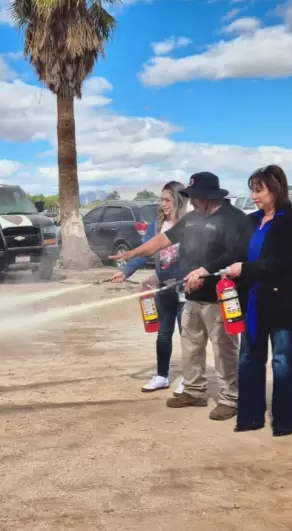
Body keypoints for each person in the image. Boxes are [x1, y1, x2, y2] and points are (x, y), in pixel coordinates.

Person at [116, 172, 251, 421]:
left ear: (208, 197)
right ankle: (194, 390)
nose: (191, 201)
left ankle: (230, 398)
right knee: (191, 345)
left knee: (224, 350)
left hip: (221, 295)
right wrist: (133, 253)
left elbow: (237, 253)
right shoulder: (192, 218)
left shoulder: (235, 219)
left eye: (195, 196)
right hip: (193, 294)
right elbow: (163, 240)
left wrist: (205, 270)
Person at [225, 165, 292, 437]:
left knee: (282, 362)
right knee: (249, 359)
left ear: (276, 190)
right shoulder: (251, 222)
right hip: (252, 304)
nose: (253, 195)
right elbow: (232, 255)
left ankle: (284, 422)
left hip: (283, 304)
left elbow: (284, 261)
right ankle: (249, 417)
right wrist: (204, 270)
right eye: (252, 189)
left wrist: (245, 270)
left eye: (258, 190)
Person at [108, 181, 189, 394]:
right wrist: (125, 271)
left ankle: (189, 378)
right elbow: (143, 251)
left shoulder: (188, 224)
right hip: (163, 289)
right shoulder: (156, 225)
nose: (163, 204)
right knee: (163, 333)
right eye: (161, 200)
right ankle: (162, 376)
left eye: (167, 200)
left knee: (186, 334)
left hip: (184, 288)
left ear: (178, 200)